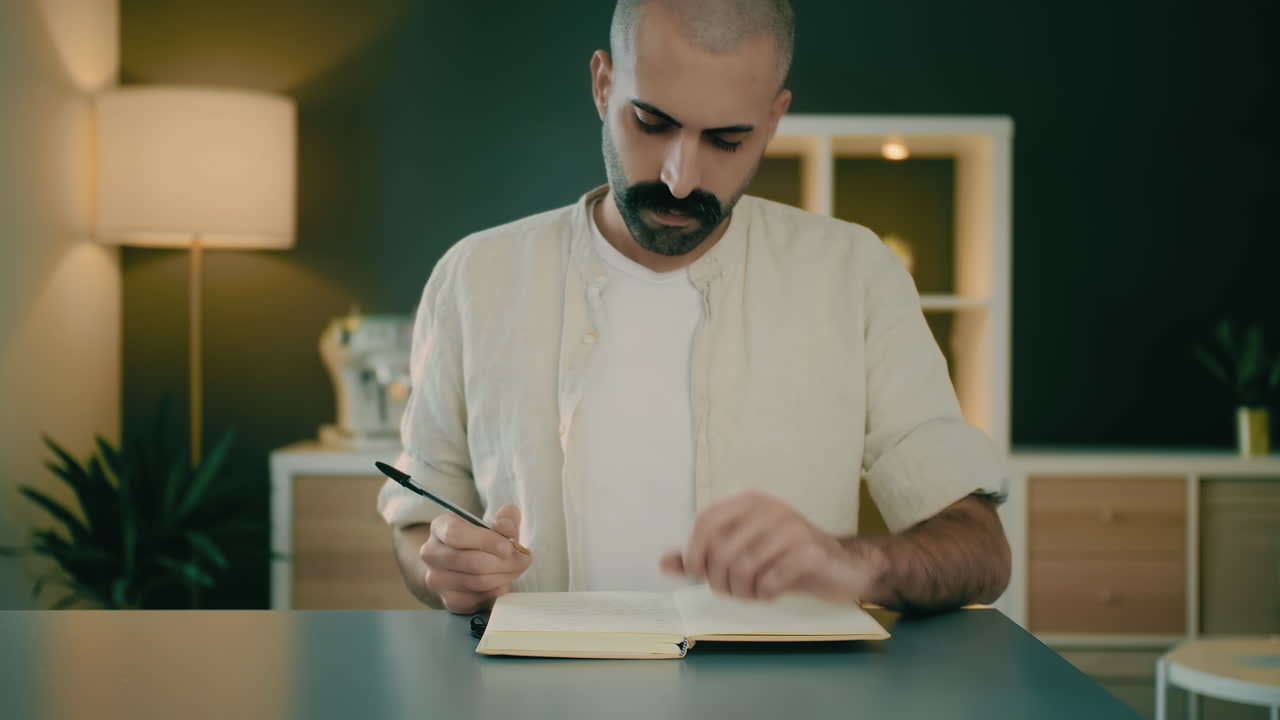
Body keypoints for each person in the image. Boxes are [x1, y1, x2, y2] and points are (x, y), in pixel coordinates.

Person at [379, 0, 1011, 616]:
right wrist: (444, 570)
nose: (681, 177)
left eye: (727, 139)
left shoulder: (855, 273)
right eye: (651, 124)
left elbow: (981, 550)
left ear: (772, 119)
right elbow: (416, 528)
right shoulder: (476, 275)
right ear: (603, 85)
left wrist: (852, 565)